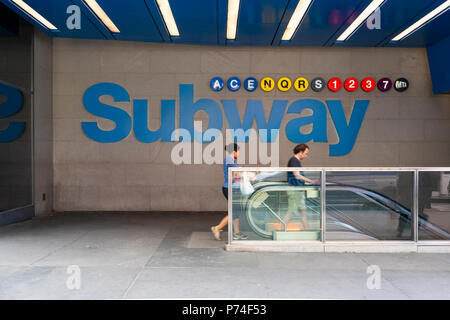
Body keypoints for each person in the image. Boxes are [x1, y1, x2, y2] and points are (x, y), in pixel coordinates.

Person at [211, 143, 248, 240]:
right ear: (234, 151)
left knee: (236, 211)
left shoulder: (231, 159)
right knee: (234, 211)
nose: (239, 154)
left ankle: (236, 232)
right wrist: (243, 170)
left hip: (232, 188)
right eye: (239, 152)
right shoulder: (229, 159)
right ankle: (217, 228)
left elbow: (237, 170)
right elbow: (236, 173)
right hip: (229, 188)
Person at [284, 143, 320, 229]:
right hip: (295, 191)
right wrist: (311, 181)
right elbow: (297, 175)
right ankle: (281, 229)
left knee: (301, 212)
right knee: (292, 212)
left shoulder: (295, 161)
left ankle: (306, 231)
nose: (306, 156)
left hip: (297, 191)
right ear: (300, 152)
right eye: (306, 153)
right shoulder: (294, 161)